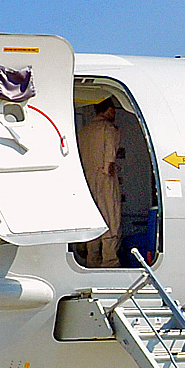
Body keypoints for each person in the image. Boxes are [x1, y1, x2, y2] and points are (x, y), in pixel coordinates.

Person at [77, 98, 122, 266]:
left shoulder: (84, 131)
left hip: (87, 179)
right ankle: (110, 261)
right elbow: (110, 150)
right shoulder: (109, 128)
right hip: (104, 178)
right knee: (111, 217)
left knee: (93, 218)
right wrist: (108, 166)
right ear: (108, 110)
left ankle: (92, 259)